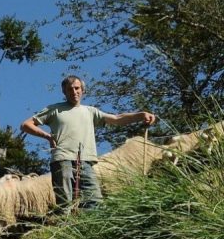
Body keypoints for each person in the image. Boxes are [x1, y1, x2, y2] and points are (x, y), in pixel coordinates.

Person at [20, 75, 156, 211]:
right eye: (69, 89)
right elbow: (26, 124)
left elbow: (116, 119)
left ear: (83, 90)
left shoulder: (90, 112)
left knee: (94, 201)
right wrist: (47, 136)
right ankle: (66, 228)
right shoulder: (55, 109)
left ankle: (89, 230)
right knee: (65, 202)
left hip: (86, 161)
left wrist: (140, 115)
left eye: (77, 88)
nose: (74, 92)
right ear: (64, 92)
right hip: (62, 159)